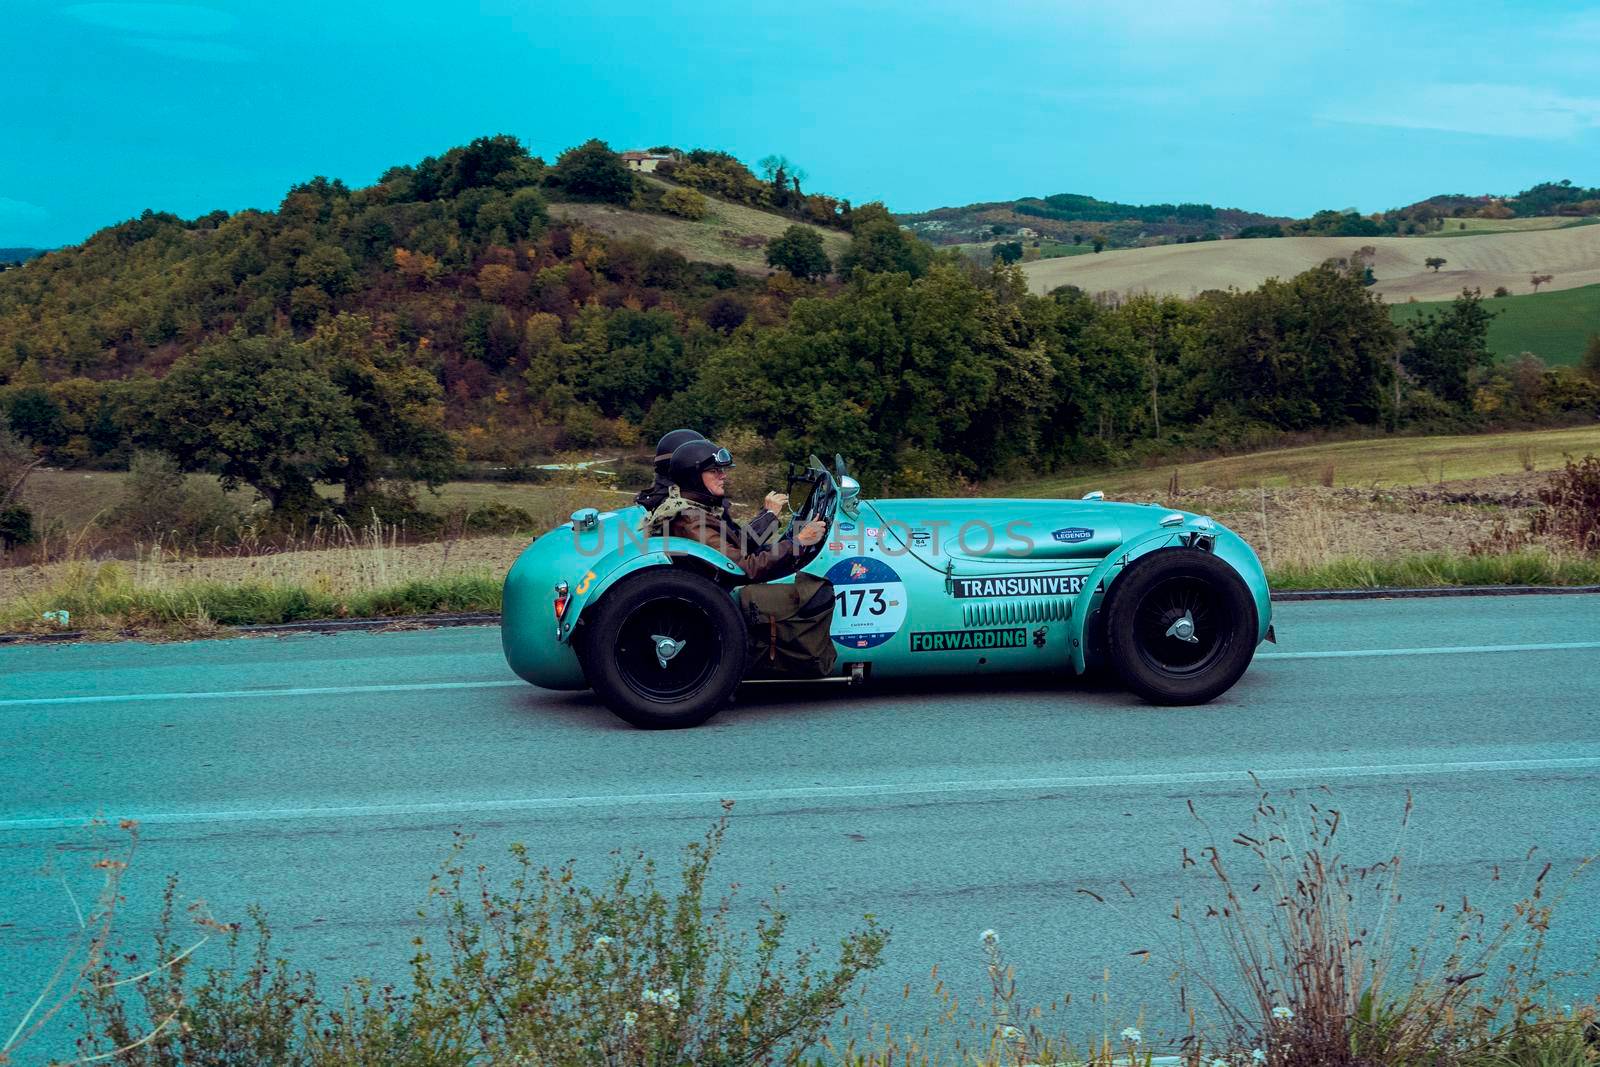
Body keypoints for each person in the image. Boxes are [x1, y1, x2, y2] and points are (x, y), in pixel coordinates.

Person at [660, 440, 826, 582]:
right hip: (727, 595)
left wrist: (768, 516)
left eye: (722, 470)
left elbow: (738, 545)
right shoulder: (692, 523)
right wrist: (798, 542)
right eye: (714, 471)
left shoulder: (694, 509)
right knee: (817, 592)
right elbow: (745, 567)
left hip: (721, 589)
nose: (723, 476)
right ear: (693, 477)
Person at [635, 428, 785, 541]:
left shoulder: (657, 498)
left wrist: (766, 515)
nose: (722, 475)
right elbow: (737, 548)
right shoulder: (683, 507)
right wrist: (769, 516)